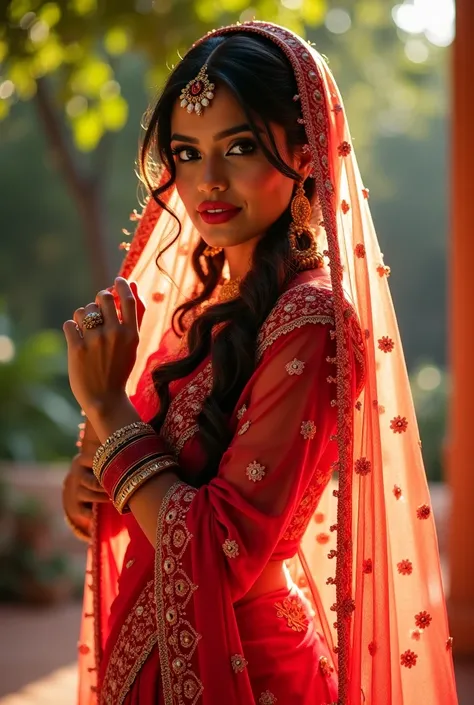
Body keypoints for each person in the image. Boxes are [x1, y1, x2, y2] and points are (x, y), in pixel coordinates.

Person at [61, 20, 458, 705]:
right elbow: (151, 496)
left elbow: (221, 548)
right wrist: (91, 480)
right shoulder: (209, 307)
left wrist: (108, 414)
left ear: (305, 152)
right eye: (186, 153)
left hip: (251, 670)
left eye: (239, 146)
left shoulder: (312, 323)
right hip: (158, 651)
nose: (207, 180)